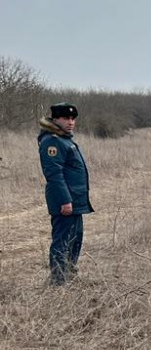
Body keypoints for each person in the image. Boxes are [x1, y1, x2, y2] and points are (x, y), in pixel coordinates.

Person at [37, 102, 93, 285]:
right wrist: (65, 200)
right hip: (65, 202)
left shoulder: (65, 139)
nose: (70, 122)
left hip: (75, 200)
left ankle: (69, 274)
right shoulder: (52, 141)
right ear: (55, 119)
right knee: (62, 241)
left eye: (73, 118)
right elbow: (54, 174)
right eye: (66, 118)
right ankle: (58, 282)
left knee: (75, 239)